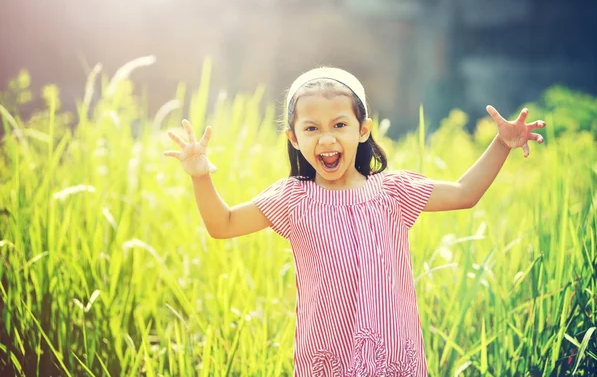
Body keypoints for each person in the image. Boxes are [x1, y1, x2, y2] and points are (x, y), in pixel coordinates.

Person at [164, 67, 546, 376]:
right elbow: (224, 224)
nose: (326, 138)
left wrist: (501, 144)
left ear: (363, 130)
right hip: (326, 358)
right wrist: (200, 176)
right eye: (311, 128)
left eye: (339, 125)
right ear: (294, 138)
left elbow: (465, 193)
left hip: (395, 357)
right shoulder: (292, 198)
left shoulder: (393, 192)